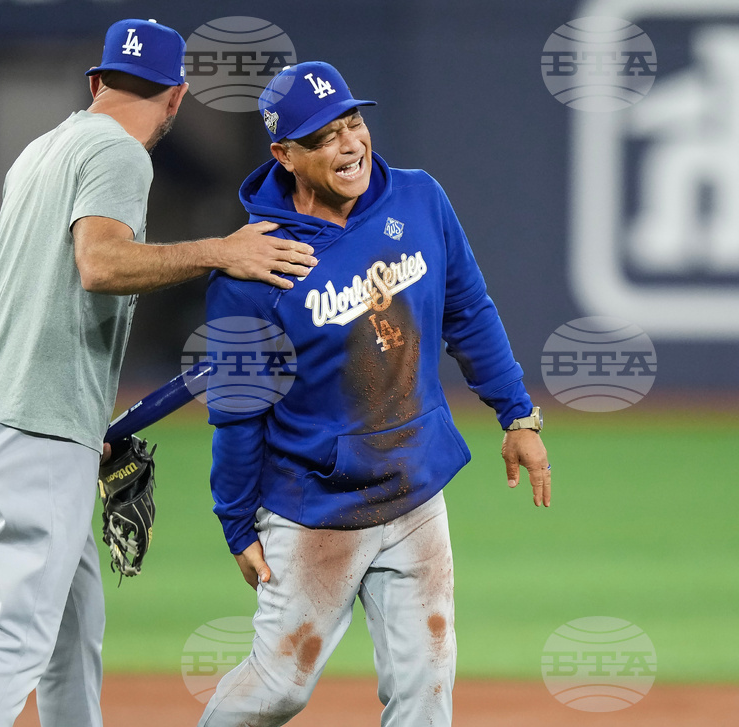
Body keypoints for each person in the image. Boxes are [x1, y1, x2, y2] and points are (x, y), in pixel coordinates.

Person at [0, 20, 317, 727]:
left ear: (96, 83)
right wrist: (219, 251)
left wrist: (84, 429)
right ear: (176, 99)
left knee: (72, 628)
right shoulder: (120, 154)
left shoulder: (43, 150)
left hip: (2, 413)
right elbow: (100, 264)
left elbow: (35, 294)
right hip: (33, 425)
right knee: (18, 636)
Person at [199, 61, 551, 726]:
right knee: (279, 687)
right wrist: (235, 518)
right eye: (325, 136)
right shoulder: (253, 265)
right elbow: (238, 408)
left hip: (416, 492)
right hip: (314, 511)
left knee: (426, 690)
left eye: (353, 123)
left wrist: (517, 414)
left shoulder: (420, 200)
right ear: (285, 154)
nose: (351, 143)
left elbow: (468, 311)